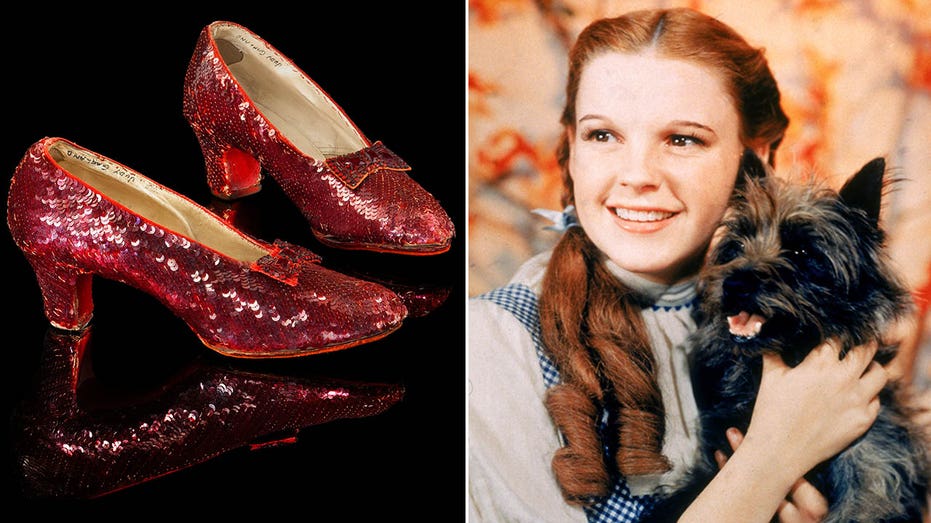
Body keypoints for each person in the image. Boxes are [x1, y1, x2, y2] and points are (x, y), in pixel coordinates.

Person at [467, 7, 897, 522]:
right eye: (602, 134)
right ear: (572, 149)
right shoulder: (490, 344)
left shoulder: (796, 323)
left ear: (753, 157)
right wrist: (771, 458)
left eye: (682, 139)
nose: (637, 175)